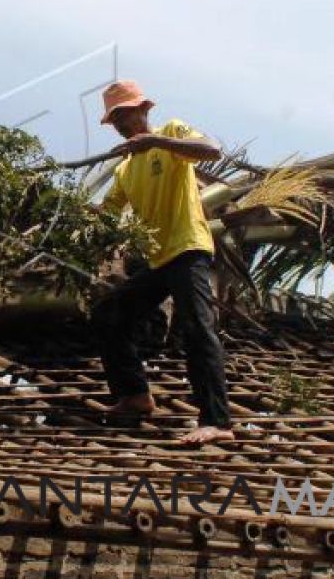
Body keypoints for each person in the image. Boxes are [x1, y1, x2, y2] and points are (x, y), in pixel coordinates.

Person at [91, 79, 234, 445]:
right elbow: (107, 215)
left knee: (197, 328)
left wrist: (156, 142)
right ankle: (135, 395)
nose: (123, 124)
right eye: (116, 119)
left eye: (126, 115)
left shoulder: (172, 134)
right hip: (157, 261)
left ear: (144, 110)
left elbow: (212, 149)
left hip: (187, 249)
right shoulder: (125, 170)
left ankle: (217, 421)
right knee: (109, 315)